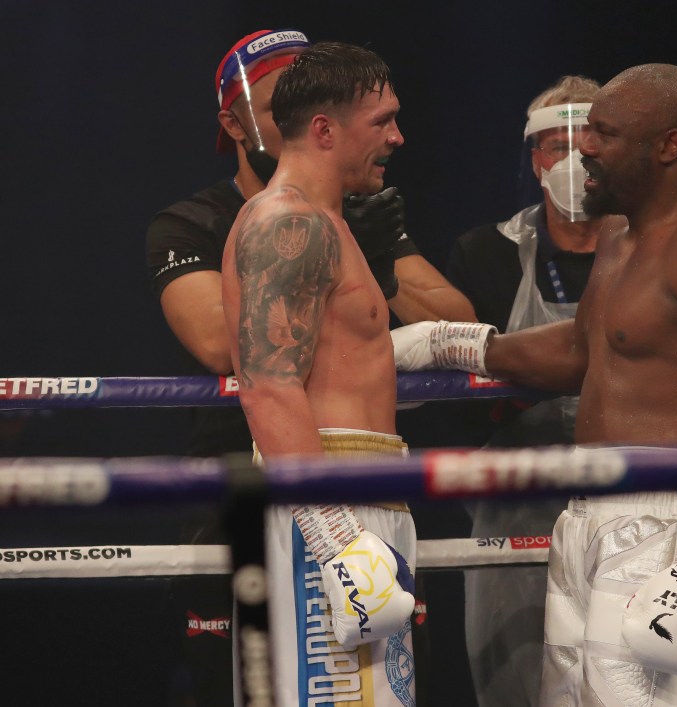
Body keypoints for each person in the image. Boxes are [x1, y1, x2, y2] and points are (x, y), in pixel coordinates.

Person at [392, 63, 677, 706]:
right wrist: (458, 343)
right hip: (591, 512)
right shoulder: (621, 231)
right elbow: (587, 348)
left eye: (604, 133)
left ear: (667, 145)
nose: (584, 147)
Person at [146, 28, 475, 457]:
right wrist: (322, 517)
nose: (292, 117)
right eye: (278, 107)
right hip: (242, 475)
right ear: (234, 124)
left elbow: (455, 315)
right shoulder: (193, 222)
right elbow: (221, 343)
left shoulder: (355, 212)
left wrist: (369, 258)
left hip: (365, 463)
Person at [221, 40, 419, 706]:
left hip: (363, 496)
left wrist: (449, 341)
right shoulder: (289, 225)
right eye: (382, 120)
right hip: (329, 506)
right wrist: (337, 541)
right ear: (326, 130)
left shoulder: (329, 223)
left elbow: (345, 349)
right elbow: (267, 384)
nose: (397, 136)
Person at [446, 74, 615, 707]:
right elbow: (454, 407)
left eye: (588, 142)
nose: (572, 160)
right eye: (555, 146)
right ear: (534, 158)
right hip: (514, 505)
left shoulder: (661, 252)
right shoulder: (485, 254)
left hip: (636, 496)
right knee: (513, 680)